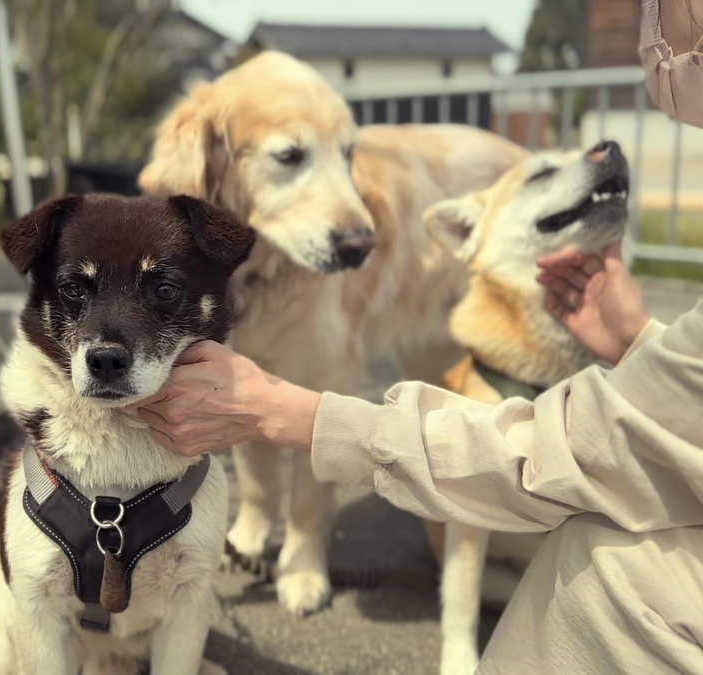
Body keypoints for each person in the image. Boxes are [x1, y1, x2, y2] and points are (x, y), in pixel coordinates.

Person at [130, 2, 703, 673]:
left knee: (594, 543)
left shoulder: (338, 248)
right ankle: (261, 512)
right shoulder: (206, 194)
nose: (655, 33)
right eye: (291, 156)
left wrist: (295, 416)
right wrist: (642, 341)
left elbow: (584, 447)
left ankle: (310, 534)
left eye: (665, 13)